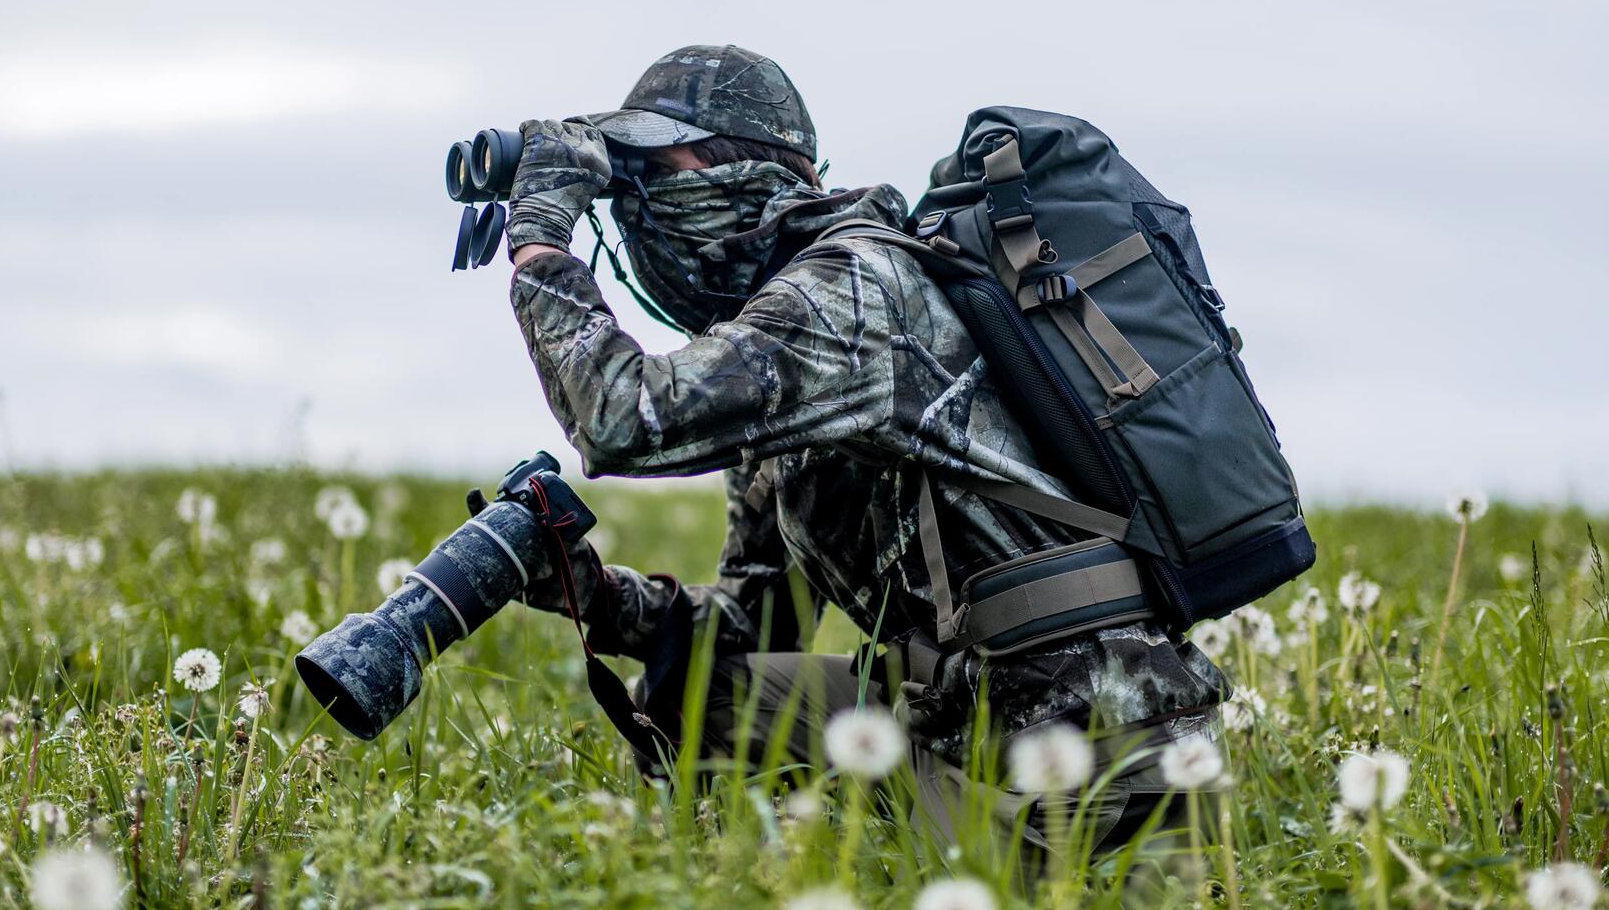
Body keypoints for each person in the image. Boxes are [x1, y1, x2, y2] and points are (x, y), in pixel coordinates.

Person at [500, 44, 1226, 859]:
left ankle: (876, 861)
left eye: (652, 172)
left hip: (1088, 753)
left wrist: (538, 238)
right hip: (973, 713)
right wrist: (588, 592)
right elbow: (757, 622)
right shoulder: (781, 337)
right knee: (700, 697)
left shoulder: (851, 289)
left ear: (742, 173)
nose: (636, 208)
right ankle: (752, 863)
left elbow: (621, 418)